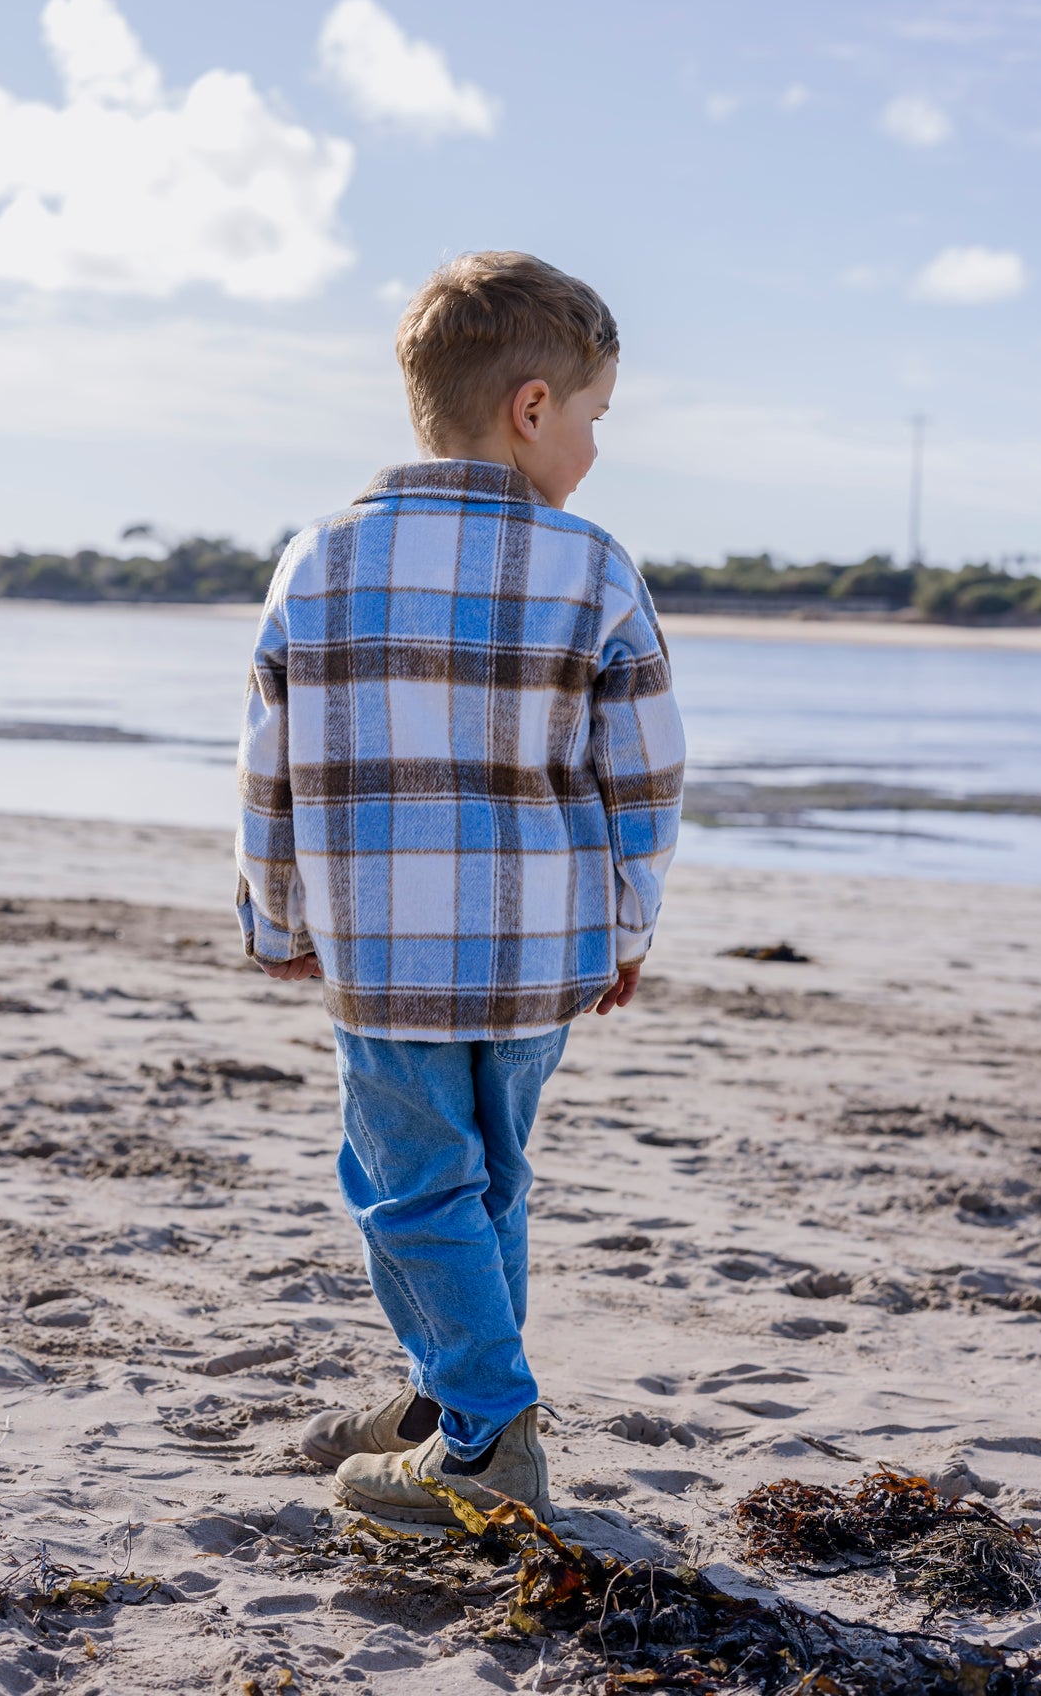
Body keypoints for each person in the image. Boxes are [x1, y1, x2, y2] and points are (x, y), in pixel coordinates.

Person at [235, 251, 685, 1523]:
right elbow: (645, 778)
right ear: (532, 407)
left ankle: (485, 1431)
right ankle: (453, 1403)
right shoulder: (595, 567)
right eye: (595, 416)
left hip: (385, 950)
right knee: (488, 1183)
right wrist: (627, 928)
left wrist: (276, 916)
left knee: (414, 1185)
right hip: (541, 950)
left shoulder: (317, 559)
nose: (595, 447)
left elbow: (271, 765)